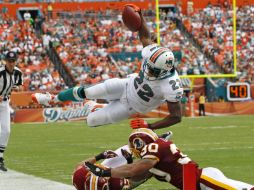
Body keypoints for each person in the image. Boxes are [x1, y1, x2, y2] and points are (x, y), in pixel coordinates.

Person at [32, 5, 183, 129]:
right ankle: (52, 98)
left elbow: (176, 117)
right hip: (126, 85)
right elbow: (144, 36)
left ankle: (95, 107)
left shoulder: (172, 85)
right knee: (88, 91)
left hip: (132, 106)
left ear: (164, 71)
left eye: (153, 69)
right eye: (149, 66)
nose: (148, 70)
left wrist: (150, 126)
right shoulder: (152, 53)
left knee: (91, 121)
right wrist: (140, 15)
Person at [86, 128, 254, 190]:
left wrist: (107, 172)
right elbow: (136, 177)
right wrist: (123, 169)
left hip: (201, 180)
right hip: (195, 183)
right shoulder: (155, 155)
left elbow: (134, 170)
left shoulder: (153, 149)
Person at [72, 145, 145, 190]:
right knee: (144, 168)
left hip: (105, 168)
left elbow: (81, 164)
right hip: (113, 174)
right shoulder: (115, 184)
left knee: (129, 148)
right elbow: (131, 177)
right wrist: (129, 161)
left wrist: (100, 156)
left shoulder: (78, 178)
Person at [0, 51, 23, 171]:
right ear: (5, 61)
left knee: (6, 131)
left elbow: (20, 86)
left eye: (13, 61)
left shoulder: (18, 72)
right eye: (9, 61)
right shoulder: (0, 72)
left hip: (4, 103)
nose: (11, 63)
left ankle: (0, 158)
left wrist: (17, 87)